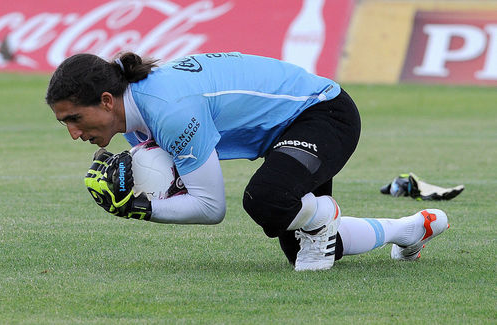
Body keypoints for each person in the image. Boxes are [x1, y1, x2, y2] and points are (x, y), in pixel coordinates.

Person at [45, 52, 449, 271]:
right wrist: (140, 191)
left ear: (106, 101)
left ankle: (322, 212)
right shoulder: (137, 121)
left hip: (324, 113)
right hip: (289, 132)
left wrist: (141, 208)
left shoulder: (166, 109)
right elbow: (182, 186)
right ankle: (411, 229)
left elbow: (209, 206)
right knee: (307, 248)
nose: (74, 134)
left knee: (267, 199)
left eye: (74, 119)